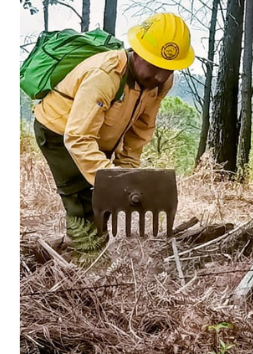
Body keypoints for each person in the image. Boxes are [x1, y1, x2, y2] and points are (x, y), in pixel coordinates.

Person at [32, 14, 194, 253]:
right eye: (155, 68)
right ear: (137, 54)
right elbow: (78, 137)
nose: (160, 76)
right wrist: (112, 180)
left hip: (100, 132)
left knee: (104, 201)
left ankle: (86, 244)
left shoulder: (161, 82)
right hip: (59, 131)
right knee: (82, 201)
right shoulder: (104, 75)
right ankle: (82, 255)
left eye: (168, 69)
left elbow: (141, 128)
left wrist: (126, 171)